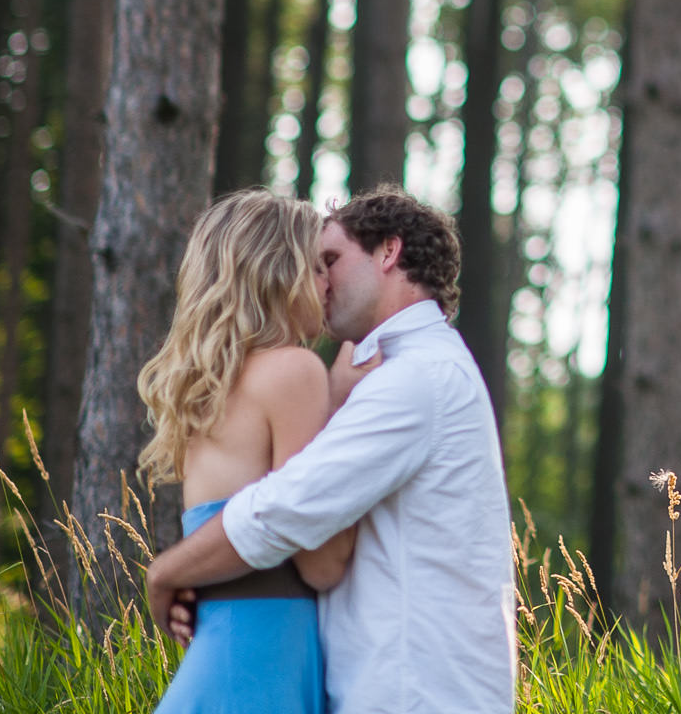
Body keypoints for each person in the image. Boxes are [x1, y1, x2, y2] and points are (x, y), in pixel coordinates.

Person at [145, 191, 516, 714]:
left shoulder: (414, 376)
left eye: (332, 260)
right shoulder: (333, 374)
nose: (324, 281)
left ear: (388, 253)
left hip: (413, 693)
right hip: (296, 668)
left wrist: (172, 571)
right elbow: (315, 549)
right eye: (315, 264)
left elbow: (286, 508)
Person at [140, 190, 350, 714]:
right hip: (265, 654)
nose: (331, 282)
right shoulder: (295, 371)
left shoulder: (206, 388)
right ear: (281, 271)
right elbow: (321, 560)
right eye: (320, 266)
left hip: (226, 648)